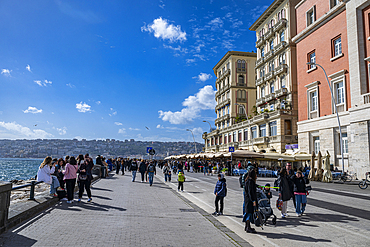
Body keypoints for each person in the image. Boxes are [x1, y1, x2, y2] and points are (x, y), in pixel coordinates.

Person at [243, 169, 257, 233]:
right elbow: (250, 192)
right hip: (250, 200)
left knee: (247, 212)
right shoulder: (251, 182)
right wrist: (253, 200)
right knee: (249, 213)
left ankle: (247, 226)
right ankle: (248, 227)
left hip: (247, 199)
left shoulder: (247, 180)